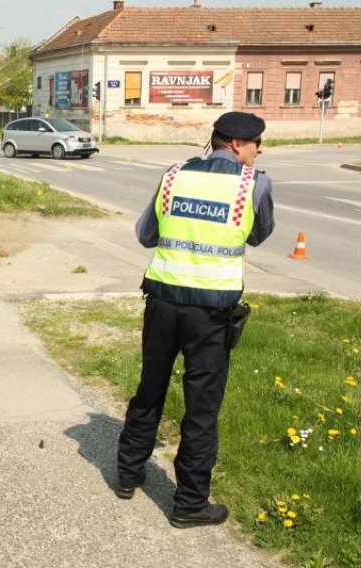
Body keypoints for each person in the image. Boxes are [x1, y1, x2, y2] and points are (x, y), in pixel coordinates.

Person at [116, 111, 275, 528]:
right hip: (212, 313)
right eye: (257, 143)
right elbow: (259, 234)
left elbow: (146, 234)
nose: (260, 151)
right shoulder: (253, 184)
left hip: (162, 301)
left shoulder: (174, 176)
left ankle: (128, 475)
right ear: (238, 145)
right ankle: (188, 504)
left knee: (150, 387)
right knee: (201, 408)